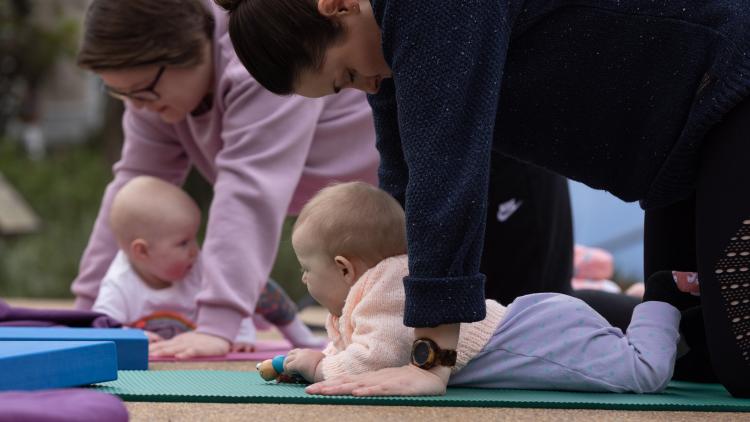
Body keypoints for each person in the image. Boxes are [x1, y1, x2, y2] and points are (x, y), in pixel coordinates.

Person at [216, 0, 750, 396]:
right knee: (694, 360)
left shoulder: (425, 11)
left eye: (347, 75)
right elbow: (401, 185)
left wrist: (429, 359)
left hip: (731, 95)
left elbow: (446, 177)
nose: (366, 87)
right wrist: (383, 310)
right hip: (681, 160)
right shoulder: (387, 53)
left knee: (742, 362)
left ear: (337, 5)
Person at [71, 0, 380, 358]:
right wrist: (88, 315)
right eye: (123, 95)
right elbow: (130, 195)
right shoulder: (155, 94)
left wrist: (217, 324)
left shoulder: (261, 58)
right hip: (346, 206)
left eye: (142, 91)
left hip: (389, 192)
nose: (137, 106)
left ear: (187, 48)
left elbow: (249, 190)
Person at [283, 182, 680, 393]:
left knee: (643, 371)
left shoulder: (388, 286)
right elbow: (361, 350)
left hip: (539, 336)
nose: (304, 279)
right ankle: (660, 320)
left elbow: (374, 362)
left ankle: (661, 298)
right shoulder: (374, 290)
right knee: (634, 356)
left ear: (344, 268)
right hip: (533, 325)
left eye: (306, 269)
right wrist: (322, 358)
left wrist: (319, 368)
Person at [92, 176, 324, 352]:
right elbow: (101, 324)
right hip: (176, 342)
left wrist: (241, 335)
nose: (195, 250)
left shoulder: (198, 266)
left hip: (231, 315)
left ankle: (302, 337)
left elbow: (231, 292)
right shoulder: (119, 283)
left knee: (261, 289)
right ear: (142, 251)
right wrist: (130, 336)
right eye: (183, 243)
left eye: (195, 238)